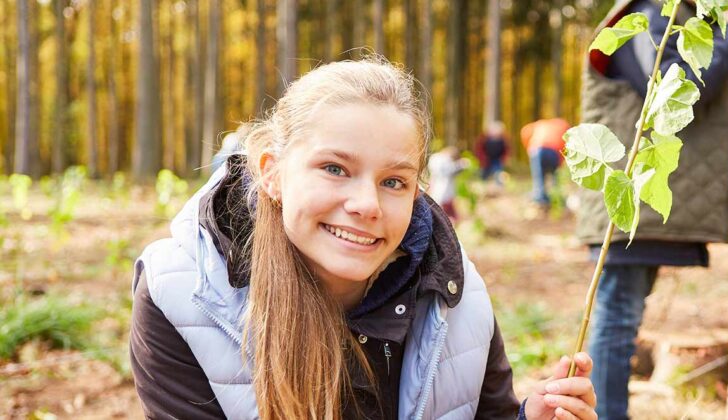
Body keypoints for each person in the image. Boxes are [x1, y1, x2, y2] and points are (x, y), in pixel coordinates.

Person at [129, 58, 597, 420]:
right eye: (335, 169)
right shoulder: (181, 296)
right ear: (272, 172)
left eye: (394, 181)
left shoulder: (455, 295)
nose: (367, 204)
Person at [574, 1, 728, 418]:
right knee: (618, 315)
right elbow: (668, 86)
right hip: (632, 188)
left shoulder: (701, 20)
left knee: (625, 312)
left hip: (659, 196)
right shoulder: (646, 16)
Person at [521, 118, 570, 208]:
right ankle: (556, 197)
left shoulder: (540, 124)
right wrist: (562, 160)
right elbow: (567, 144)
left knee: (539, 176)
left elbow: (525, 131)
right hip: (553, 151)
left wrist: (528, 146)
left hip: (536, 149)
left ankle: (541, 198)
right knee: (555, 175)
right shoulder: (564, 125)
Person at [427, 146, 468, 220]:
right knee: (443, 212)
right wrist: (461, 164)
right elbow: (449, 170)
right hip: (443, 192)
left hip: (441, 190)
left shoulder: (435, 158)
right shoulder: (444, 159)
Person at [476, 121, 510, 187]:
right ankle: (483, 185)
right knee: (484, 173)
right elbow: (479, 149)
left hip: (497, 159)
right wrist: (482, 158)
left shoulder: (503, 140)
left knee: (498, 173)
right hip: (486, 159)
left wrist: (504, 159)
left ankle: (499, 186)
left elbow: (506, 150)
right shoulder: (484, 139)